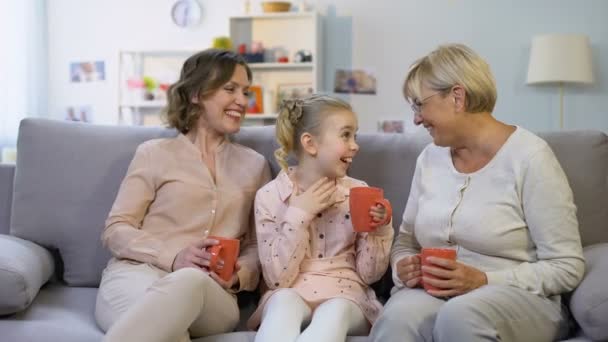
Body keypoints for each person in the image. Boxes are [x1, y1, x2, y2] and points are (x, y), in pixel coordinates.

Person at [369, 44, 585, 342]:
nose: (417, 119)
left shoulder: (530, 157)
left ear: (457, 97)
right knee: (397, 318)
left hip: (517, 298)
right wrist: (402, 265)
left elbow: (567, 267)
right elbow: (406, 240)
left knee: (461, 316)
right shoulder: (429, 158)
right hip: (434, 293)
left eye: (420, 104)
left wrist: (484, 279)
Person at [94, 49, 271, 342]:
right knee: (167, 330)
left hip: (209, 292)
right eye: (230, 89)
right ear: (196, 94)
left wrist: (240, 275)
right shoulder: (153, 154)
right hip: (139, 276)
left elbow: (257, 245)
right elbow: (116, 229)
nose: (242, 101)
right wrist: (173, 256)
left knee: (188, 280)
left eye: (245, 91)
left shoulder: (255, 165)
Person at [248, 95, 394, 342]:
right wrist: (299, 214)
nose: (355, 145)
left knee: (335, 310)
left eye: (355, 136)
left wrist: (379, 230)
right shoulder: (270, 196)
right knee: (283, 302)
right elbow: (277, 279)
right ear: (310, 144)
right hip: (291, 290)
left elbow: (369, 275)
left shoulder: (357, 192)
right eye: (345, 135)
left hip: (346, 295)